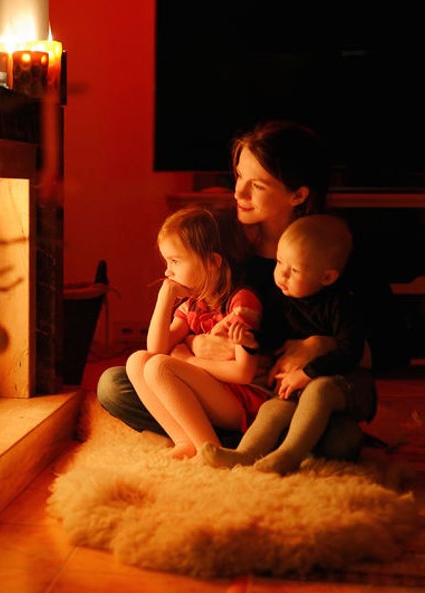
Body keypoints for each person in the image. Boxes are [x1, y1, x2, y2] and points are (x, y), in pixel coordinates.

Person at [98, 120, 385, 459]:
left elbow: (390, 348)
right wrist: (195, 343)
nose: (238, 193)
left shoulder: (335, 250)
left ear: (298, 194)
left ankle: (246, 442)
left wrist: (320, 344)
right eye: (238, 177)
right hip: (223, 388)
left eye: (257, 185)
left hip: (287, 395)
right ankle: (224, 440)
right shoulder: (228, 245)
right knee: (114, 385)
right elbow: (198, 316)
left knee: (339, 438)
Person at [201, 214, 376, 473]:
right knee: (273, 407)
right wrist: (248, 339)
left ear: (326, 277)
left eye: (293, 270)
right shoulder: (284, 299)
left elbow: (351, 352)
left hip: (348, 385)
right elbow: (272, 337)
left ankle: (288, 455)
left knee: (320, 391)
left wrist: (308, 373)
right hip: (298, 387)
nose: (281, 274)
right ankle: (245, 454)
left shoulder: (342, 304)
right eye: (280, 262)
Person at [125, 207, 268, 458]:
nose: (168, 271)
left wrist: (189, 360)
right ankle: (185, 441)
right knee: (138, 362)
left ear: (212, 262)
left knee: (160, 367)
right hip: (213, 392)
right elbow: (155, 349)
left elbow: (244, 373)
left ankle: (209, 448)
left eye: (175, 261)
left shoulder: (241, 301)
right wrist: (165, 298)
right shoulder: (194, 303)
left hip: (242, 402)